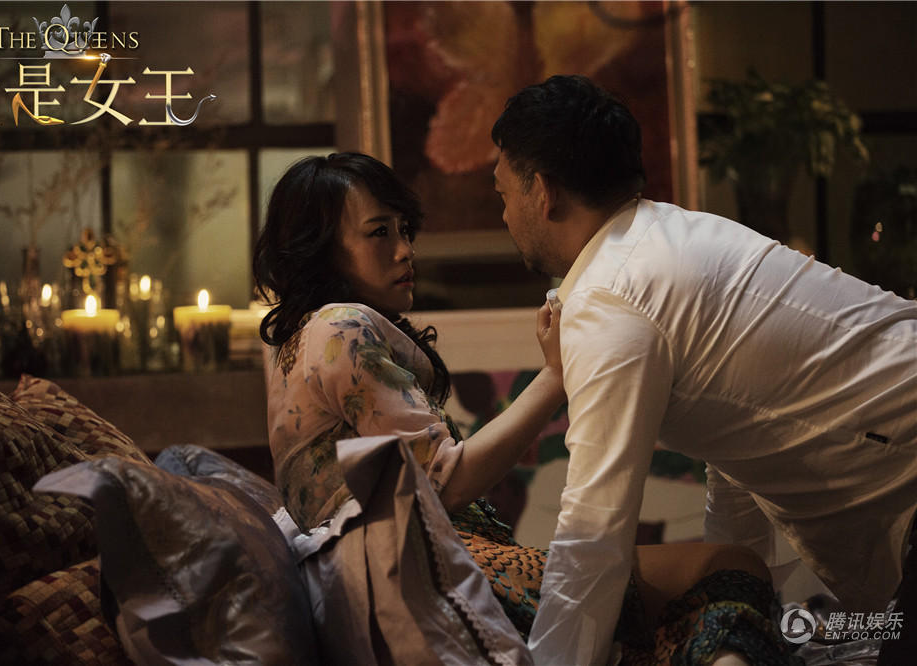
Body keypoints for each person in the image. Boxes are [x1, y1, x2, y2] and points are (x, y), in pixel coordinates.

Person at [254, 152, 800, 665]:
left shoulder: (304, 338)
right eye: (379, 233)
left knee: (693, 589)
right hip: (443, 575)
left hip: (414, 573)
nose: (404, 250)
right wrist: (555, 376)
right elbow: (446, 482)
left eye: (404, 229)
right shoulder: (341, 329)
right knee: (729, 565)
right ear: (320, 248)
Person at [490, 74, 917, 665]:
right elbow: (731, 444)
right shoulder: (673, 234)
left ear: (542, 191)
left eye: (503, 194)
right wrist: (735, 599)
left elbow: (594, 529)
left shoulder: (608, 297)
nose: (505, 215)